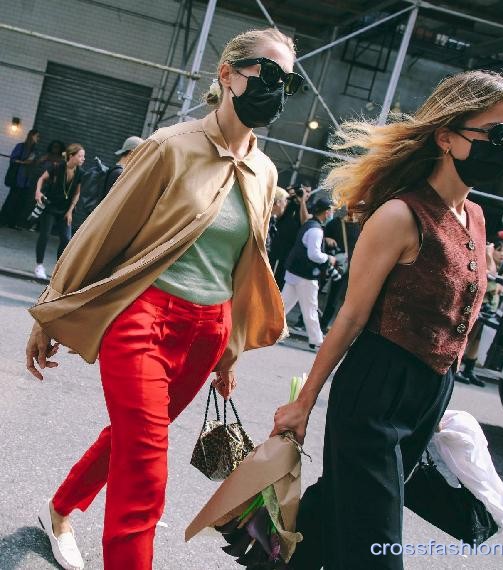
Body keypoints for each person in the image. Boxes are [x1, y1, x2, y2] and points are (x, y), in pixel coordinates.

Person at [25, 27, 302, 570]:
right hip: (144, 319)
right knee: (147, 462)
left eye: (287, 82)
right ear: (227, 74)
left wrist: (231, 350)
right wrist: (50, 312)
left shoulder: (265, 172)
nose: (275, 88)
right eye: (264, 74)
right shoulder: (170, 148)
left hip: (207, 331)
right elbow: (101, 233)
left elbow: (241, 266)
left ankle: (60, 510)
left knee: (130, 438)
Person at [271, 70, 503, 570]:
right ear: (447, 136)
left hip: (430, 396)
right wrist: (304, 403)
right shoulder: (400, 215)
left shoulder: (474, 216)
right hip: (375, 393)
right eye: (497, 133)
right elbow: (349, 317)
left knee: (329, 524)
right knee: (376, 552)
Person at [455, 237, 503, 386]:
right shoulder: (485, 262)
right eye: (499, 250)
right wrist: (488, 254)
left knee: (478, 340)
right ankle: (457, 367)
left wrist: (497, 287)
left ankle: (469, 370)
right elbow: (491, 283)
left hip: (490, 308)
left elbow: (500, 288)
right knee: (469, 336)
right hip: (479, 306)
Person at [281, 197, 335, 350]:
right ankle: (316, 340)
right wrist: (328, 258)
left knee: (283, 306)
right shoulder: (316, 230)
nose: (331, 214)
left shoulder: (309, 225)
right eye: (331, 211)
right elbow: (314, 255)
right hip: (306, 275)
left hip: (295, 271)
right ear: (325, 212)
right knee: (310, 308)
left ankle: (269, 331)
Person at [33, 143, 85, 279]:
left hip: (65, 210)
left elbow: (77, 194)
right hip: (50, 207)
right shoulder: (56, 167)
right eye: (80, 156)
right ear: (71, 156)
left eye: (83, 156)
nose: (83, 159)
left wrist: (70, 211)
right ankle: (39, 266)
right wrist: (38, 192)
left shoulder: (80, 173)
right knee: (44, 235)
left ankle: (58, 270)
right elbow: (41, 179)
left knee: (66, 239)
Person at [319, 211, 360, 333]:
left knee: (335, 297)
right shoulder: (335, 223)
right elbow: (320, 235)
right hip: (329, 262)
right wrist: (326, 238)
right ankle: (308, 321)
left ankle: (323, 324)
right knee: (317, 289)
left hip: (346, 266)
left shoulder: (361, 227)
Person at [269, 182, 312, 288]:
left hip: (290, 248)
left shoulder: (308, 207)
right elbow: (277, 214)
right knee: (268, 273)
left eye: (308, 192)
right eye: (303, 190)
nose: (305, 193)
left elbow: (305, 221)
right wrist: (289, 196)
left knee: (280, 279)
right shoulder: (288, 201)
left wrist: (302, 201)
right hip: (276, 243)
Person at [0, 129, 40, 228]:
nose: (38, 139)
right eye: (37, 136)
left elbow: (34, 164)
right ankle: (3, 220)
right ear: (32, 136)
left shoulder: (34, 150)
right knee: (12, 199)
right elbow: (13, 159)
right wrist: (23, 162)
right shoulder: (21, 146)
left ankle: (12, 222)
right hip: (18, 178)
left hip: (27, 180)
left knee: (20, 202)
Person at [266, 185, 289, 254]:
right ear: (278, 202)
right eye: (285, 200)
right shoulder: (262, 219)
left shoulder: (272, 220)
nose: (286, 204)